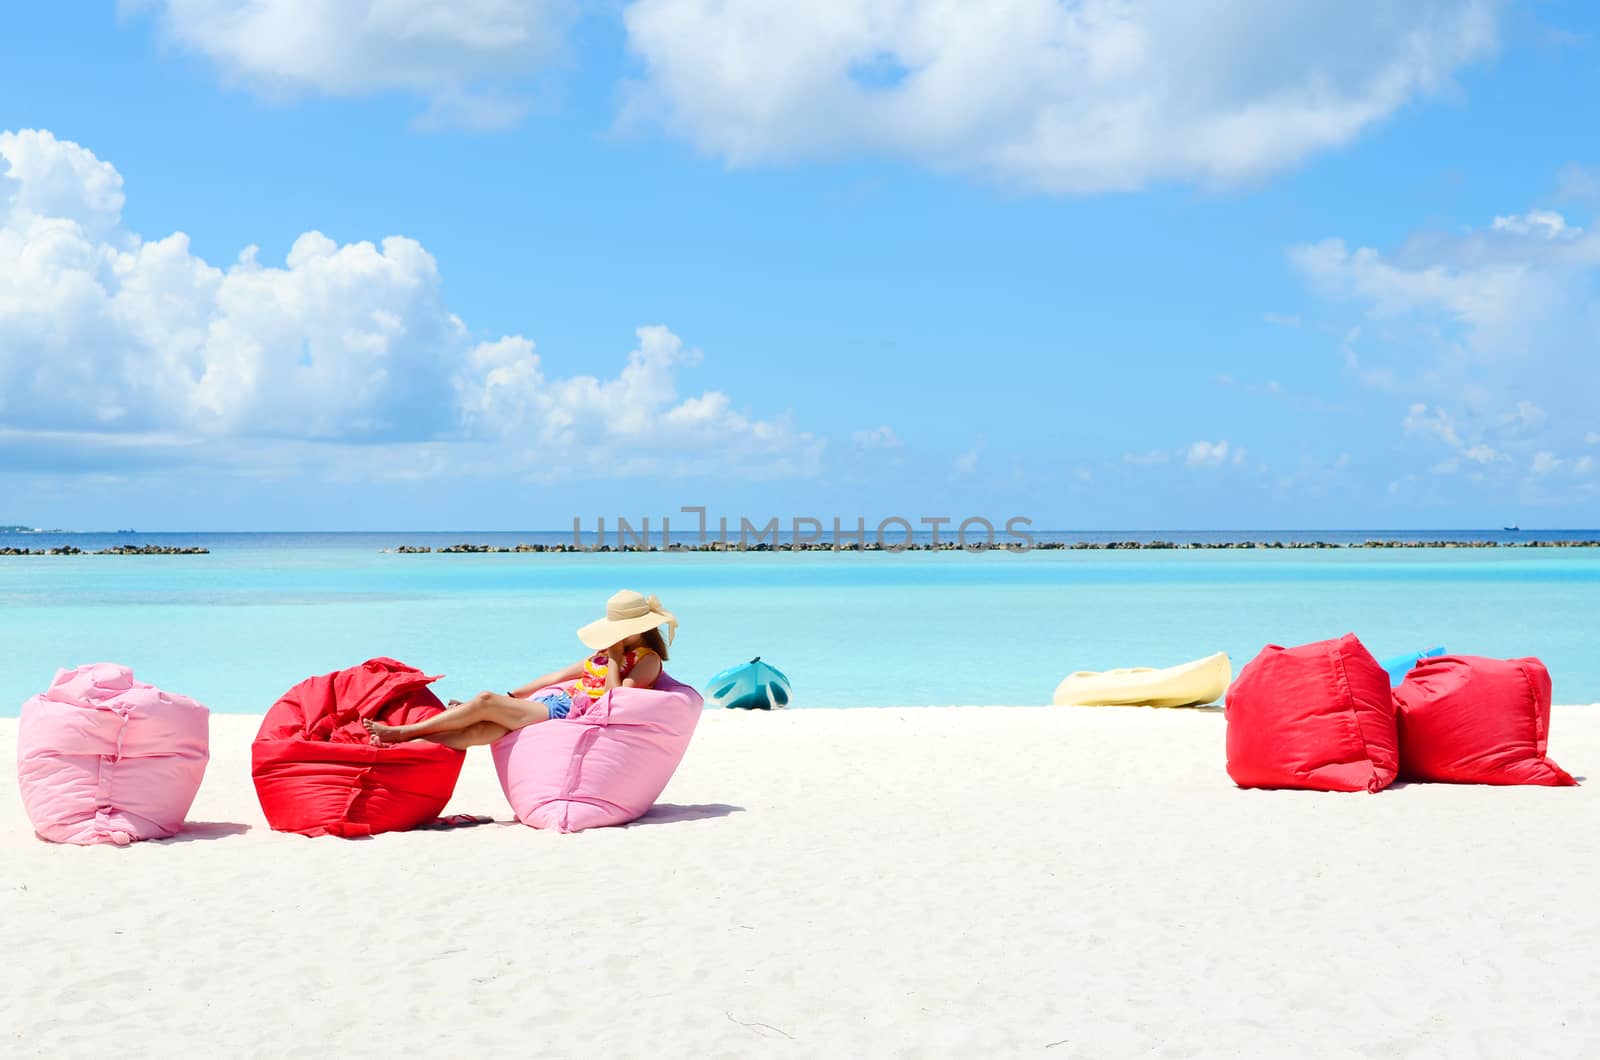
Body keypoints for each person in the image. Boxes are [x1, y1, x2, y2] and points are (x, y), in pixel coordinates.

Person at [363, 590, 677, 749]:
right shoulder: (604, 653)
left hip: (573, 714)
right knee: (480, 731)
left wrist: (614, 657)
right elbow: (556, 677)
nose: (617, 634)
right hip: (557, 704)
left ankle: (402, 732)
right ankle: (405, 743)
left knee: (484, 700)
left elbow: (614, 697)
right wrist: (511, 696)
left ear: (641, 628)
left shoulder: (647, 659)